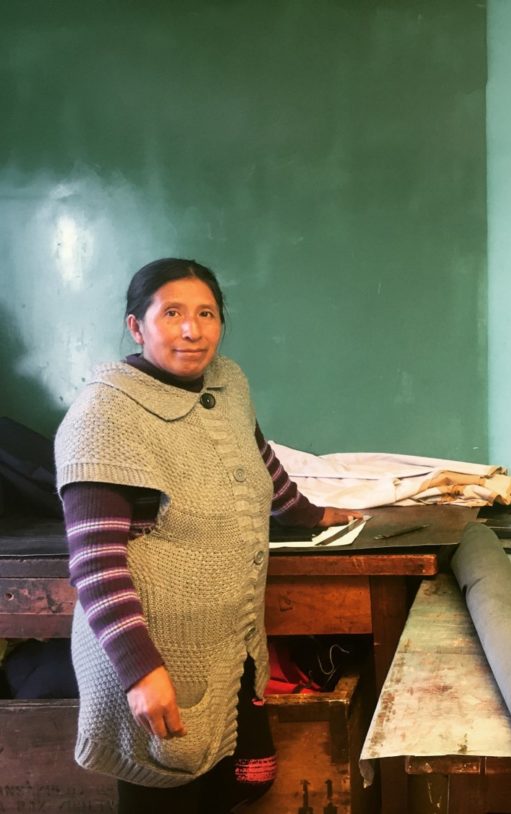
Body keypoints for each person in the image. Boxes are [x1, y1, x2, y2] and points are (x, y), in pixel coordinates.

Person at [54, 259, 362, 812]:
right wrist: (141, 671)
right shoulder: (104, 414)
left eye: (206, 314)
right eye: (172, 314)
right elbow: (95, 564)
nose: (192, 330)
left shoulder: (227, 382)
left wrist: (313, 515)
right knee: (165, 793)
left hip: (228, 647)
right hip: (151, 653)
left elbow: (258, 460)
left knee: (237, 784)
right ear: (136, 326)